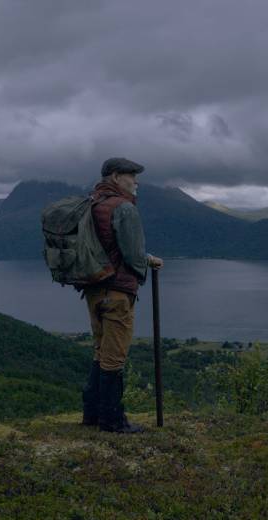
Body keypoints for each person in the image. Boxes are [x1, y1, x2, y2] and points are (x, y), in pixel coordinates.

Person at [80, 157, 163, 434]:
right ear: (115, 177)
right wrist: (148, 262)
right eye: (131, 176)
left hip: (93, 291)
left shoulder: (91, 203)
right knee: (114, 357)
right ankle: (112, 421)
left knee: (100, 352)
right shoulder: (124, 208)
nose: (136, 181)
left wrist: (143, 258)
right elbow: (131, 254)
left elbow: (106, 247)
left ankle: (91, 414)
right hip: (116, 293)